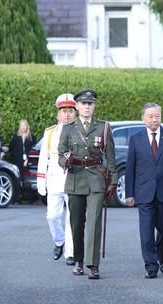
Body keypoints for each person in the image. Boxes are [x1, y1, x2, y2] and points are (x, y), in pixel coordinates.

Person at [58, 89, 117, 280]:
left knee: (93, 223)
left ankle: (93, 265)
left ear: (94, 106)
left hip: (96, 179)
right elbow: (60, 154)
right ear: (77, 106)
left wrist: (113, 181)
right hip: (75, 179)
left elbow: (111, 158)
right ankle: (78, 261)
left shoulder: (104, 127)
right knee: (76, 223)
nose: (87, 107)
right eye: (83, 103)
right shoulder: (68, 129)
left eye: (90, 104)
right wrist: (64, 161)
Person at [125, 102, 163, 279]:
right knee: (146, 233)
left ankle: (161, 256)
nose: (154, 119)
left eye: (157, 116)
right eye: (150, 116)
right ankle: (151, 266)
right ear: (143, 118)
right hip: (143, 193)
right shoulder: (135, 139)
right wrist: (129, 194)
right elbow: (130, 168)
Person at [37, 93, 77, 266]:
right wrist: (41, 182)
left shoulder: (80, 131)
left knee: (72, 218)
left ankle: (70, 252)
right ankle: (59, 241)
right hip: (54, 180)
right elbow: (43, 157)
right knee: (52, 216)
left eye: (70, 110)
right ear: (57, 114)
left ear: (75, 113)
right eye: (63, 111)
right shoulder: (50, 132)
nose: (67, 114)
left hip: (75, 179)